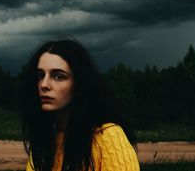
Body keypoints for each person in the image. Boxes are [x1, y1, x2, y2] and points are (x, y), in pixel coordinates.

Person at [20, 36, 140, 171]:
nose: (44, 84)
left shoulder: (107, 136)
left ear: (79, 84)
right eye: (40, 76)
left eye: (58, 76)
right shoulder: (44, 140)